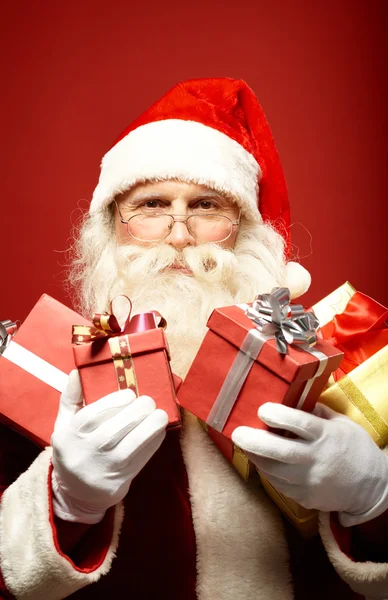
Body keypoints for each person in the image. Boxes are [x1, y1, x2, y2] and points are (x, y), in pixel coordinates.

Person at [0, 78, 387, 600]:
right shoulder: (49, 373)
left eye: (207, 206)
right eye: (152, 204)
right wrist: (67, 502)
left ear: (246, 231)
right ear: (110, 227)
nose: (179, 235)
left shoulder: (324, 368)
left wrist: (372, 499)